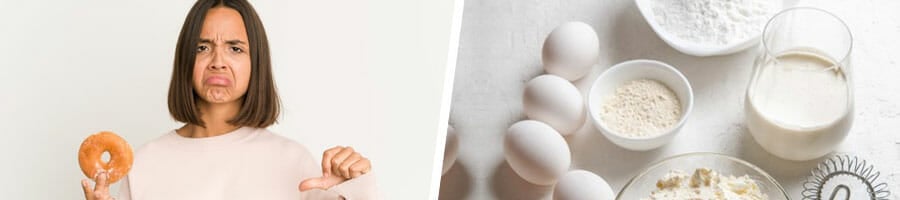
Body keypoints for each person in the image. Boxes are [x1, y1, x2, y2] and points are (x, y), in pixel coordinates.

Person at [79, 0, 377, 199]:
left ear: (255, 63)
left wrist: (357, 191)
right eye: (202, 47)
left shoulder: (293, 161)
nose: (217, 61)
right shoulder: (144, 163)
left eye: (235, 49)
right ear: (185, 59)